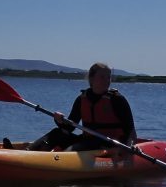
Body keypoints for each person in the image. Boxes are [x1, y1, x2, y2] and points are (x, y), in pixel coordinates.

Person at [7, 62, 137, 151]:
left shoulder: (117, 100)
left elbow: (130, 130)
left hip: (108, 144)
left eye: (108, 77)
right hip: (87, 141)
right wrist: (59, 120)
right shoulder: (82, 99)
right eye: (102, 77)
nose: (107, 80)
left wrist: (130, 146)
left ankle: (60, 159)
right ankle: (27, 152)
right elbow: (69, 127)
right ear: (91, 79)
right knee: (57, 133)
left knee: (73, 149)